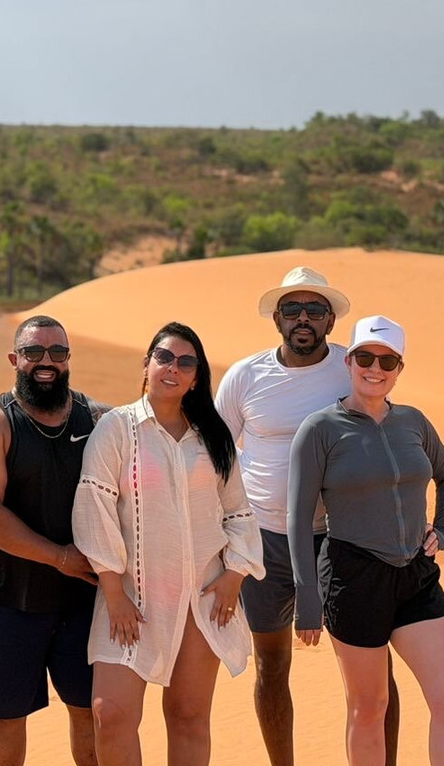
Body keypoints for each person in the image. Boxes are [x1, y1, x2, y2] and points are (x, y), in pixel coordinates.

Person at [214, 267, 400, 766]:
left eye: (314, 310)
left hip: (344, 540)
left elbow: (388, 439)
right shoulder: (245, 376)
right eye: (292, 309)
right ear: (276, 317)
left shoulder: (354, 368)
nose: (303, 319)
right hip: (264, 540)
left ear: (331, 321)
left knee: (372, 669)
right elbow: (214, 458)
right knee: (271, 666)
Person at [72, 322, 266, 766]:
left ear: (196, 376)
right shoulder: (117, 428)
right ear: (146, 364)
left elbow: (237, 510)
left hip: (203, 596)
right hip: (130, 598)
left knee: (188, 716)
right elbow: (94, 507)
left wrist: (236, 573)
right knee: (111, 714)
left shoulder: (213, 437)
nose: (173, 368)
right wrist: (113, 591)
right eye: (164, 357)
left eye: (186, 362)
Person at [289, 316, 444, 765]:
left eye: (387, 360)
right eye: (366, 357)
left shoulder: (413, 422)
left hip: (416, 575)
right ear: (349, 361)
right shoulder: (320, 429)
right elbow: (298, 519)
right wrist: (307, 599)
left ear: (399, 368)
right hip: (354, 578)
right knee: (369, 708)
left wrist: (442, 529)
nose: (376, 368)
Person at [0, 315, 103, 766]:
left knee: (91, 714)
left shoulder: (98, 418)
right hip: (8, 603)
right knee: (4, 721)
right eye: (34, 352)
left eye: (57, 353)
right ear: (14, 359)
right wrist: (59, 557)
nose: (46, 362)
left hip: (83, 602)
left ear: (68, 360)